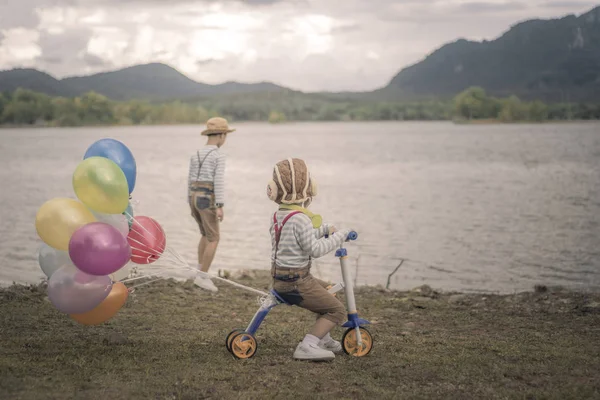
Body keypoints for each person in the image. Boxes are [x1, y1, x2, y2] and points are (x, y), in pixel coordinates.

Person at [266, 157, 352, 361]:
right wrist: (341, 235)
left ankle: (323, 338)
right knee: (337, 310)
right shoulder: (301, 218)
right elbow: (315, 250)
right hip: (297, 282)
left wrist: (323, 230)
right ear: (308, 189)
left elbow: (298, 239)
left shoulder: (280, 215)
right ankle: (308, 345)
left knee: (331, 290)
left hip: (281, 279)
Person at [188, 117, 233, 292]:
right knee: (214, 237)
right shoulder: (218, 155)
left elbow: (190, 179)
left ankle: (199, 270)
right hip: (207, 198)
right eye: (225, 135)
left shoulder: (196, 154)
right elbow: (218, 181)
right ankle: (203, 276)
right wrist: (220, 204)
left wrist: (189, 201)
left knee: (204, 234)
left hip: (194, 196)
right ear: (221, 135)